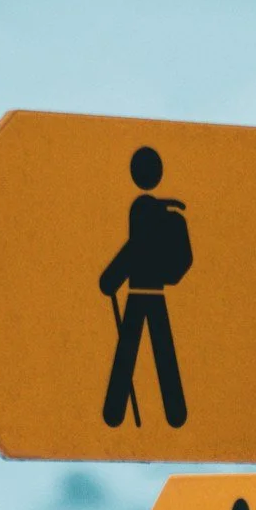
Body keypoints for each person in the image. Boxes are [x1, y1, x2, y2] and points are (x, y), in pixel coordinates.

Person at [99, 146, 190, 428]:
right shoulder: (166, 212)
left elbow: (132, 249)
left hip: (138, 294)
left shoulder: (142, 211)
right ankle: (175, 415)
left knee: (128, 351)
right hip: (156, 293)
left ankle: (114, 413)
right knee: (162, 351)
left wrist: (110, 279)